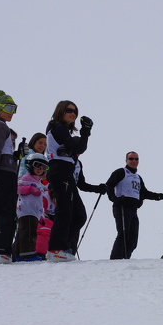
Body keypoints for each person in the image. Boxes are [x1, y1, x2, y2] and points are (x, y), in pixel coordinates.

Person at [45, 100, 93, 262]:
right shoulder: (57, 127)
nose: (73, 114)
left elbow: (75, 149)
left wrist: (71, 149)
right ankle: (56, 249)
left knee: (79, 215)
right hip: (59, 170)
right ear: (60, 111)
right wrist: (85, 132)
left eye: (75, 111)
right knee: (65, 211)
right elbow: (79, 148)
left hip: (66, 172)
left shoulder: (62, 130)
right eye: (69, 110)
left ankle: (63, 248)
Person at [106, 152, 163, 259]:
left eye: (136, 159)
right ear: (126, 160)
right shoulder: (121, 172)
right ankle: (115, 260)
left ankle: (125, 259)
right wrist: (114, 199)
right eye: (131, 158)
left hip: (133, 209)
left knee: (133, 239)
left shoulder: (138, 177)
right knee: (123, 234)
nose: (134, 161)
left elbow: (145, 193)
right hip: (122, 207)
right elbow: (109, 185)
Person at [0, 90, 19, 263]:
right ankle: (1, 250)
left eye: (14, 109)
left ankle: (0, 250)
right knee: (6, 211)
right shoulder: (0, 126)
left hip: (4, 171)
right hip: (4, 173)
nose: (12, 113)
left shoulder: (1, 126)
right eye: (9, 108)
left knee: (1, 210)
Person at [14, 153, 49, 261]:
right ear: (30, 165)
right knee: (28, 232)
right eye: (37, 166)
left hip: (33, 211)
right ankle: (27, 254)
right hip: (26, 210)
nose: (39, 170)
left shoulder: (37, 181)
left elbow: (38, 201)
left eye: (43, 168)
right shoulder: (27, 177)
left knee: (24, 231)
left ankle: (17, 254)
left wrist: (40, 215)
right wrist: (30, 189)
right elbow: (18, 188)